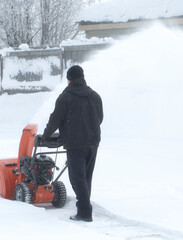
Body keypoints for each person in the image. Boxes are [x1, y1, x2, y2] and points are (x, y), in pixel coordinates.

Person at [43, 65, 103, 222]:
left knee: (77, 179)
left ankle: (84, 212)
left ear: (69, 80)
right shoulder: (95, 96)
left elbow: (55, 119)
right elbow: (100, 118)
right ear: (82, 77)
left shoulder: (65, 97)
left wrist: (46, 135)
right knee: (86, 178)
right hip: (93, 143)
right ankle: (84, 208)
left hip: (76, 144)